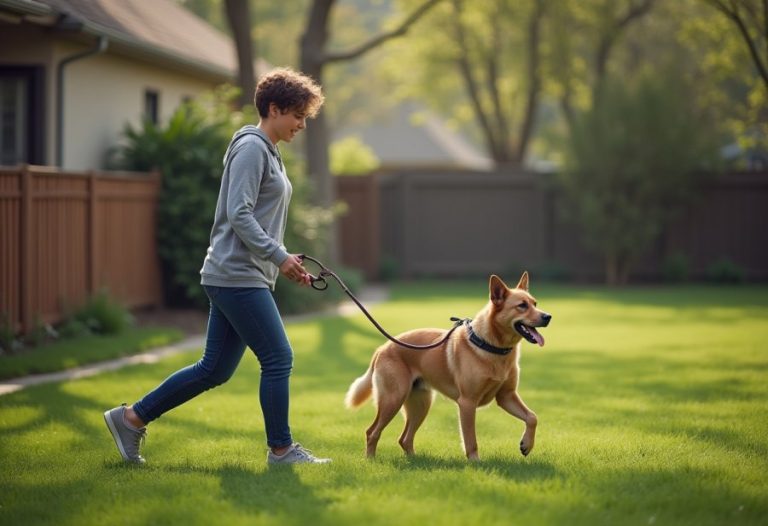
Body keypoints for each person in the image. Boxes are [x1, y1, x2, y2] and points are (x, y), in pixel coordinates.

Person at [104, 67, 330, 465]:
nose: (301, 125)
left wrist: (284, 260)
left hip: (242, 273)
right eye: (297, 115)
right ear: (274, 108)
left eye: (305, 117)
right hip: (235, 274)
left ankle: (130, 418)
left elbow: (255, 217)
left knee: (214, 370)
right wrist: (278, 256)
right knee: (278, 358)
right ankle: (281, 450)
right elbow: (238, 214)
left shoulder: (269, 150)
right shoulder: (252, 148)